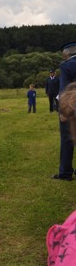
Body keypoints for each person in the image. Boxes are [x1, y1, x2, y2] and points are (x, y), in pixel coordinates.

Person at [53, 42, 76, 181]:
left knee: (67, 138)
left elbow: (64, 90)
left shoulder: (66, 66)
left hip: (72, 106)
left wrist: (62, 110)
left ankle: (66, 172)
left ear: (65, 54)